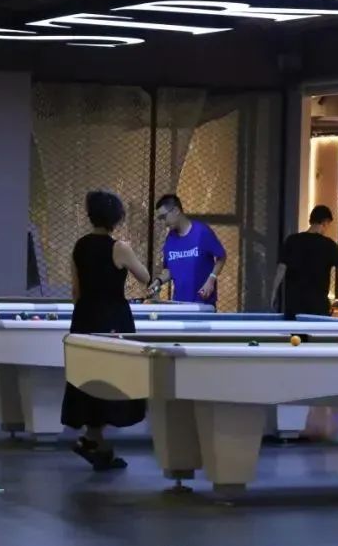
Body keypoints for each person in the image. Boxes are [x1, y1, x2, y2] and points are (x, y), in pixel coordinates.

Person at [61, 191, 152, 471]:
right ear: (116, 218)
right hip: (113, 317)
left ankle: (96, 443)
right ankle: (93, 441)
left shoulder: (79, 246)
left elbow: (76, 290)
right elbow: (145, 277)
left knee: (88, 377)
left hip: (85, 316)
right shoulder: (120, 248)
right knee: (113, 378)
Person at [272, 205, 338, 319]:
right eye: (328, 225)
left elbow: (281, 269)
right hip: (317, 306)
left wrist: (274, 293)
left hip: (293, 305)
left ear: (311, 220)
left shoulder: (292, 240)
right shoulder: (327, 245)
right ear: (325, 222)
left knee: (294, 330)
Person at [148, 194, 226, 305]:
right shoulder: (170, 239)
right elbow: (171, 270)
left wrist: (211, 280)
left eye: (164, 217)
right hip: (179, 304)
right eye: (161, 219)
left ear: (176, 211)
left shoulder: (202, 232)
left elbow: (221, 256)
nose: (164, 222)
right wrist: (158, 281)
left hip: (203, 303)